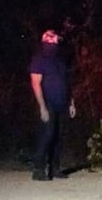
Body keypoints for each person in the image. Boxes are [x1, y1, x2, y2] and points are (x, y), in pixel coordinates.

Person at [29, 29, 76, 181]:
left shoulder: (60, 60)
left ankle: (55, 168)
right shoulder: (39, 59)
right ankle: (38, 169)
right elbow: (35, 83)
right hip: (48, 101)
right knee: (47, 134)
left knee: (58, 136)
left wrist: (71, 103)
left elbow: (67, 83)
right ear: (47, 40)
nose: (57, 41)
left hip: (61, 102)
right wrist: (42, 106)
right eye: (54, 38)